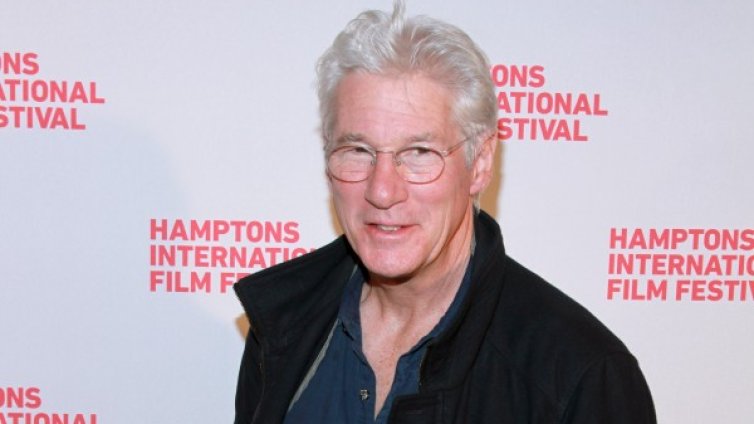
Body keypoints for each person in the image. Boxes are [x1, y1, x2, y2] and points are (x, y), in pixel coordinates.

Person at [233, 2, 656, 423]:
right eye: (358, 150)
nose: (382, 191)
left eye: (419, 152)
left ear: (481, 162)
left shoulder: (578, 377)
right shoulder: (283, 330)